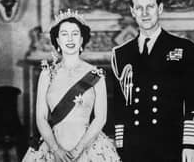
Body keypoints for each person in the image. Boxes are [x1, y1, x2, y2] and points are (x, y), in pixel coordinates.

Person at [111, 0, 194, 162]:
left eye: (150, 6)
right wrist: (120, 145)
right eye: (139, 8)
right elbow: (119, 107)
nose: (145, 13)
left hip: (170, 145)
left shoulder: (184, 49)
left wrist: (192, 144)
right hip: (133, 147)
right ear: (132, 12)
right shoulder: (121, 54)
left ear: (160, 8)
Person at [22, 9, 121, 162]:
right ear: (58, 40)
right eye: (64, 34)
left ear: (82, 40)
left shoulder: (96, 74)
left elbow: (100, 118)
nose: (70, 39)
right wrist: (56, 150)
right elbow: (41, 118)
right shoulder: (47, 74)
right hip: (53, 147)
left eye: (75, 34)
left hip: (88, 148)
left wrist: (79, 149)